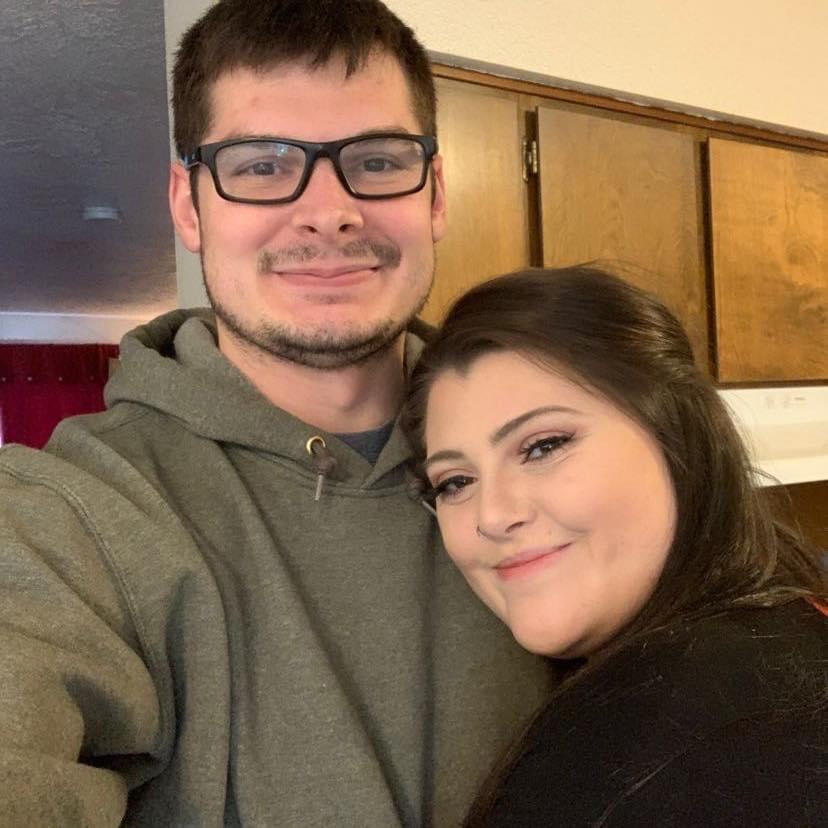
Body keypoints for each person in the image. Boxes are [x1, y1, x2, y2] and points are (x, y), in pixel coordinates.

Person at [0, 2, 552, 825]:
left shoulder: (553, 452)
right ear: (189, 207)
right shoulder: (69, 516)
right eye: (261, 165)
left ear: (435, 193)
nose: (329, 211)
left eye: (377, 160)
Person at [402, 265, 828, 826]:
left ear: (680, 436)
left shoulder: (662, 745)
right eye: (455, 482)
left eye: (544, 446)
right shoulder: (785, 631)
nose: (494, 516)